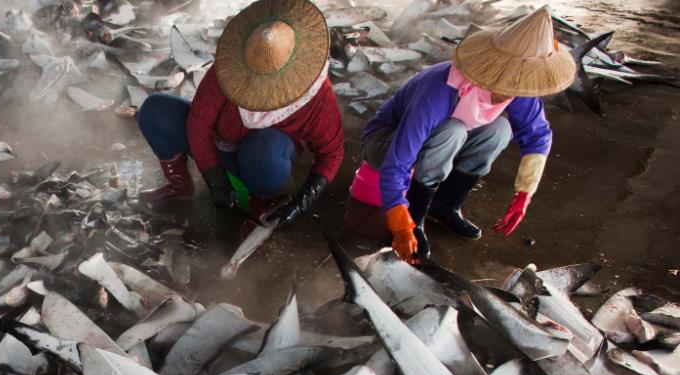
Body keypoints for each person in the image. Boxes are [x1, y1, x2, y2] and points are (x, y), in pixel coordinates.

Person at [361, 7, 575, 263]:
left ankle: (445, 205)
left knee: (500, 130)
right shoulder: (438, 91)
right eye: (506, 84)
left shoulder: (518, 89)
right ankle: (417, 217)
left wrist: (524, 194)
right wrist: (401, 224)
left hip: (442, 146)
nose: (510, 93)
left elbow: (537, 136)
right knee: (452, 131)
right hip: (384, 143)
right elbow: (398, 162)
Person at [136, 0, 343, 233]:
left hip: (264, 159)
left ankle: (261, 203)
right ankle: (179, 186)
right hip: (221, 146)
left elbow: (332, 153)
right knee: (155, 109)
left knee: (263, 147)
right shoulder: (230, 67)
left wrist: (303, 201)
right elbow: (199, 125)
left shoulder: (317, 93)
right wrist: (216, 181)